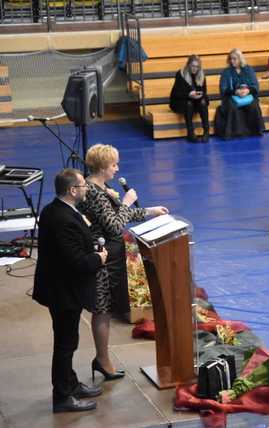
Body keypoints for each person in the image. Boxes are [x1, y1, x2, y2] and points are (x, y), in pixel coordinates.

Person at [79, 145, 168, 382]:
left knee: (106, 310)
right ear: (102, 167)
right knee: (102, 310)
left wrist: (151, 211)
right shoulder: (94, 192)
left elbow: (120, 214)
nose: (117, 168)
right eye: (114, 165)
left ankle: (102, 358)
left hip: (113, 254)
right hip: (103, 258)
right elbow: (116, 225)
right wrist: (128, 202)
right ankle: (102, 359)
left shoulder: (102, 187)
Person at [33, 168, 108, 413]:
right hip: (63, 292)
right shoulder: (63, 219)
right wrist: (99, 258)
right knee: (65, 345)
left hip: (61, 289)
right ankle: (63, 397)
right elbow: (76, 262)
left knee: (68, 341)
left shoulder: (56, 210)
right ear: (72, 190)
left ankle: (71, 383)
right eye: (83, 185)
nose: (86, 189)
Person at [215, 49, 265, 139]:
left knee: (253, 105)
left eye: (234, 59)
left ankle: (255, 131)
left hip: (247, 95)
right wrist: (235, 92)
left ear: (240, 59)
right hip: (231, 96)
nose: (232, 61)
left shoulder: (249, 70)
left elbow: (255, 86)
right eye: (230, 59)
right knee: (232, 106)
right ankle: (234, 133)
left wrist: (248, 91)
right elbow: (223, 89)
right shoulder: (226, 72)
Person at [169, 55, 209, 143]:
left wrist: (200, 95)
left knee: (202, 102)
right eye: (193, 66)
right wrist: (188, 94)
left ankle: (206, 132)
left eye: (197, 67)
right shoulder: (181, 74)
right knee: (189, 103)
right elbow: (175, 94)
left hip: (195, 100)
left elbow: (205, 93)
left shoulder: (201, 75)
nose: (195, 69)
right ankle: (190, 133)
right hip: (180, 101)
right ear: (188, 65)